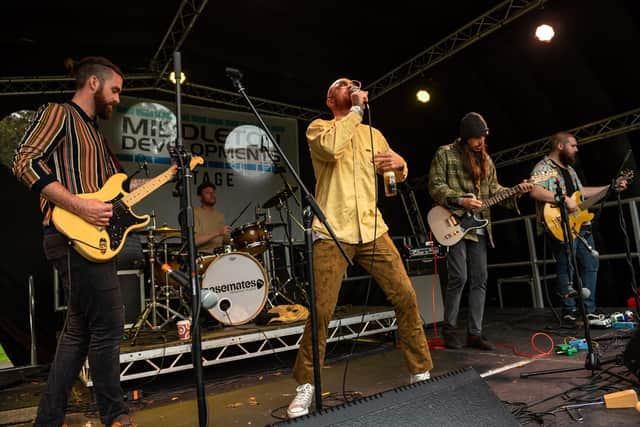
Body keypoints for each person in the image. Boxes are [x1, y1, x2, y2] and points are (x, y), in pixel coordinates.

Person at [287, 77, 433, 418]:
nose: (351, 85)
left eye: (354, 83)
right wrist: (355, 110)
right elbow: (331, 149)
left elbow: (391, 174)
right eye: (342, 84)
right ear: (329, 98)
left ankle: (420, 370)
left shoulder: (374, 135)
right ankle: (306, 385)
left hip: (372, 228)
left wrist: (401, 165)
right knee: (321, 310)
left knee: (406, 296)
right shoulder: (319, 128)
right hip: (332, 230)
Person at [12, 57, 136, 427]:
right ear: (94, 84)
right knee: (109, 325)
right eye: (115, 90)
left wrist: (171, 174)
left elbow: (119, 193)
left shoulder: (97, 136)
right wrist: (79, 205)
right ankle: (115, 415)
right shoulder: (59, 114)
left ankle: (48, 419)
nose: (117, 99)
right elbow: (25, 160)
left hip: (89, 240)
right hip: (69, 236)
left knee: (79, 333)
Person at [428, 112, 533, 351]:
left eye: (482, 138)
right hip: (452, 221)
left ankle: (475, 333)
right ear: (465, 137)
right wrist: (460, 201)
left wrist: (516, 190)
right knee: (459, 277)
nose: (479, 142)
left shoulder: (486, 159)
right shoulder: (445, 154)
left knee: (481, 279)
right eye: (475, 138)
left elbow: (494, 189)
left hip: (479, 225)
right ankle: (450, 328)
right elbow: (435, 187)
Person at [529, 131, 627, 323]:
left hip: (580, 223)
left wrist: (610, 187)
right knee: (566, 264)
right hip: (560, 224)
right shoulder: (544, 167)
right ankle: (569, 311)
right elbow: (534, 190)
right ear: (560, 146)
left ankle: (588, 310)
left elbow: (581, 193)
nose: (576, 149)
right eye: (573, 145)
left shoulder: (570, 170)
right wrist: (562, 199)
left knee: (591, 263)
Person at [193, 181, 231, 253]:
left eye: (213, 192)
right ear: (200, 197)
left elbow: (225, 242)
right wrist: (218, 232)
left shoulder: (220, 215)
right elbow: (195, 241)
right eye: (208, 193)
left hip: (220, 255)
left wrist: (227, 236)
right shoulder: (194, 213)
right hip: (203, 257)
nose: (212, 195)